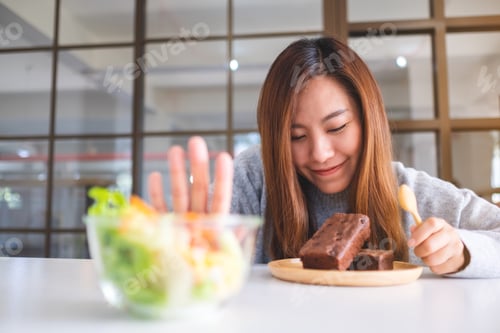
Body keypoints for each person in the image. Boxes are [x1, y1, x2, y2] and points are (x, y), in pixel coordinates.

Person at [148, 36, 500, 278]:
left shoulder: (408, 192)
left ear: (368, 121)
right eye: (295, 136)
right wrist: (178, 249)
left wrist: (463, 252)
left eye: (336, 128)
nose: (319, 153)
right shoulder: (255, 178)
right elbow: (183, 258)